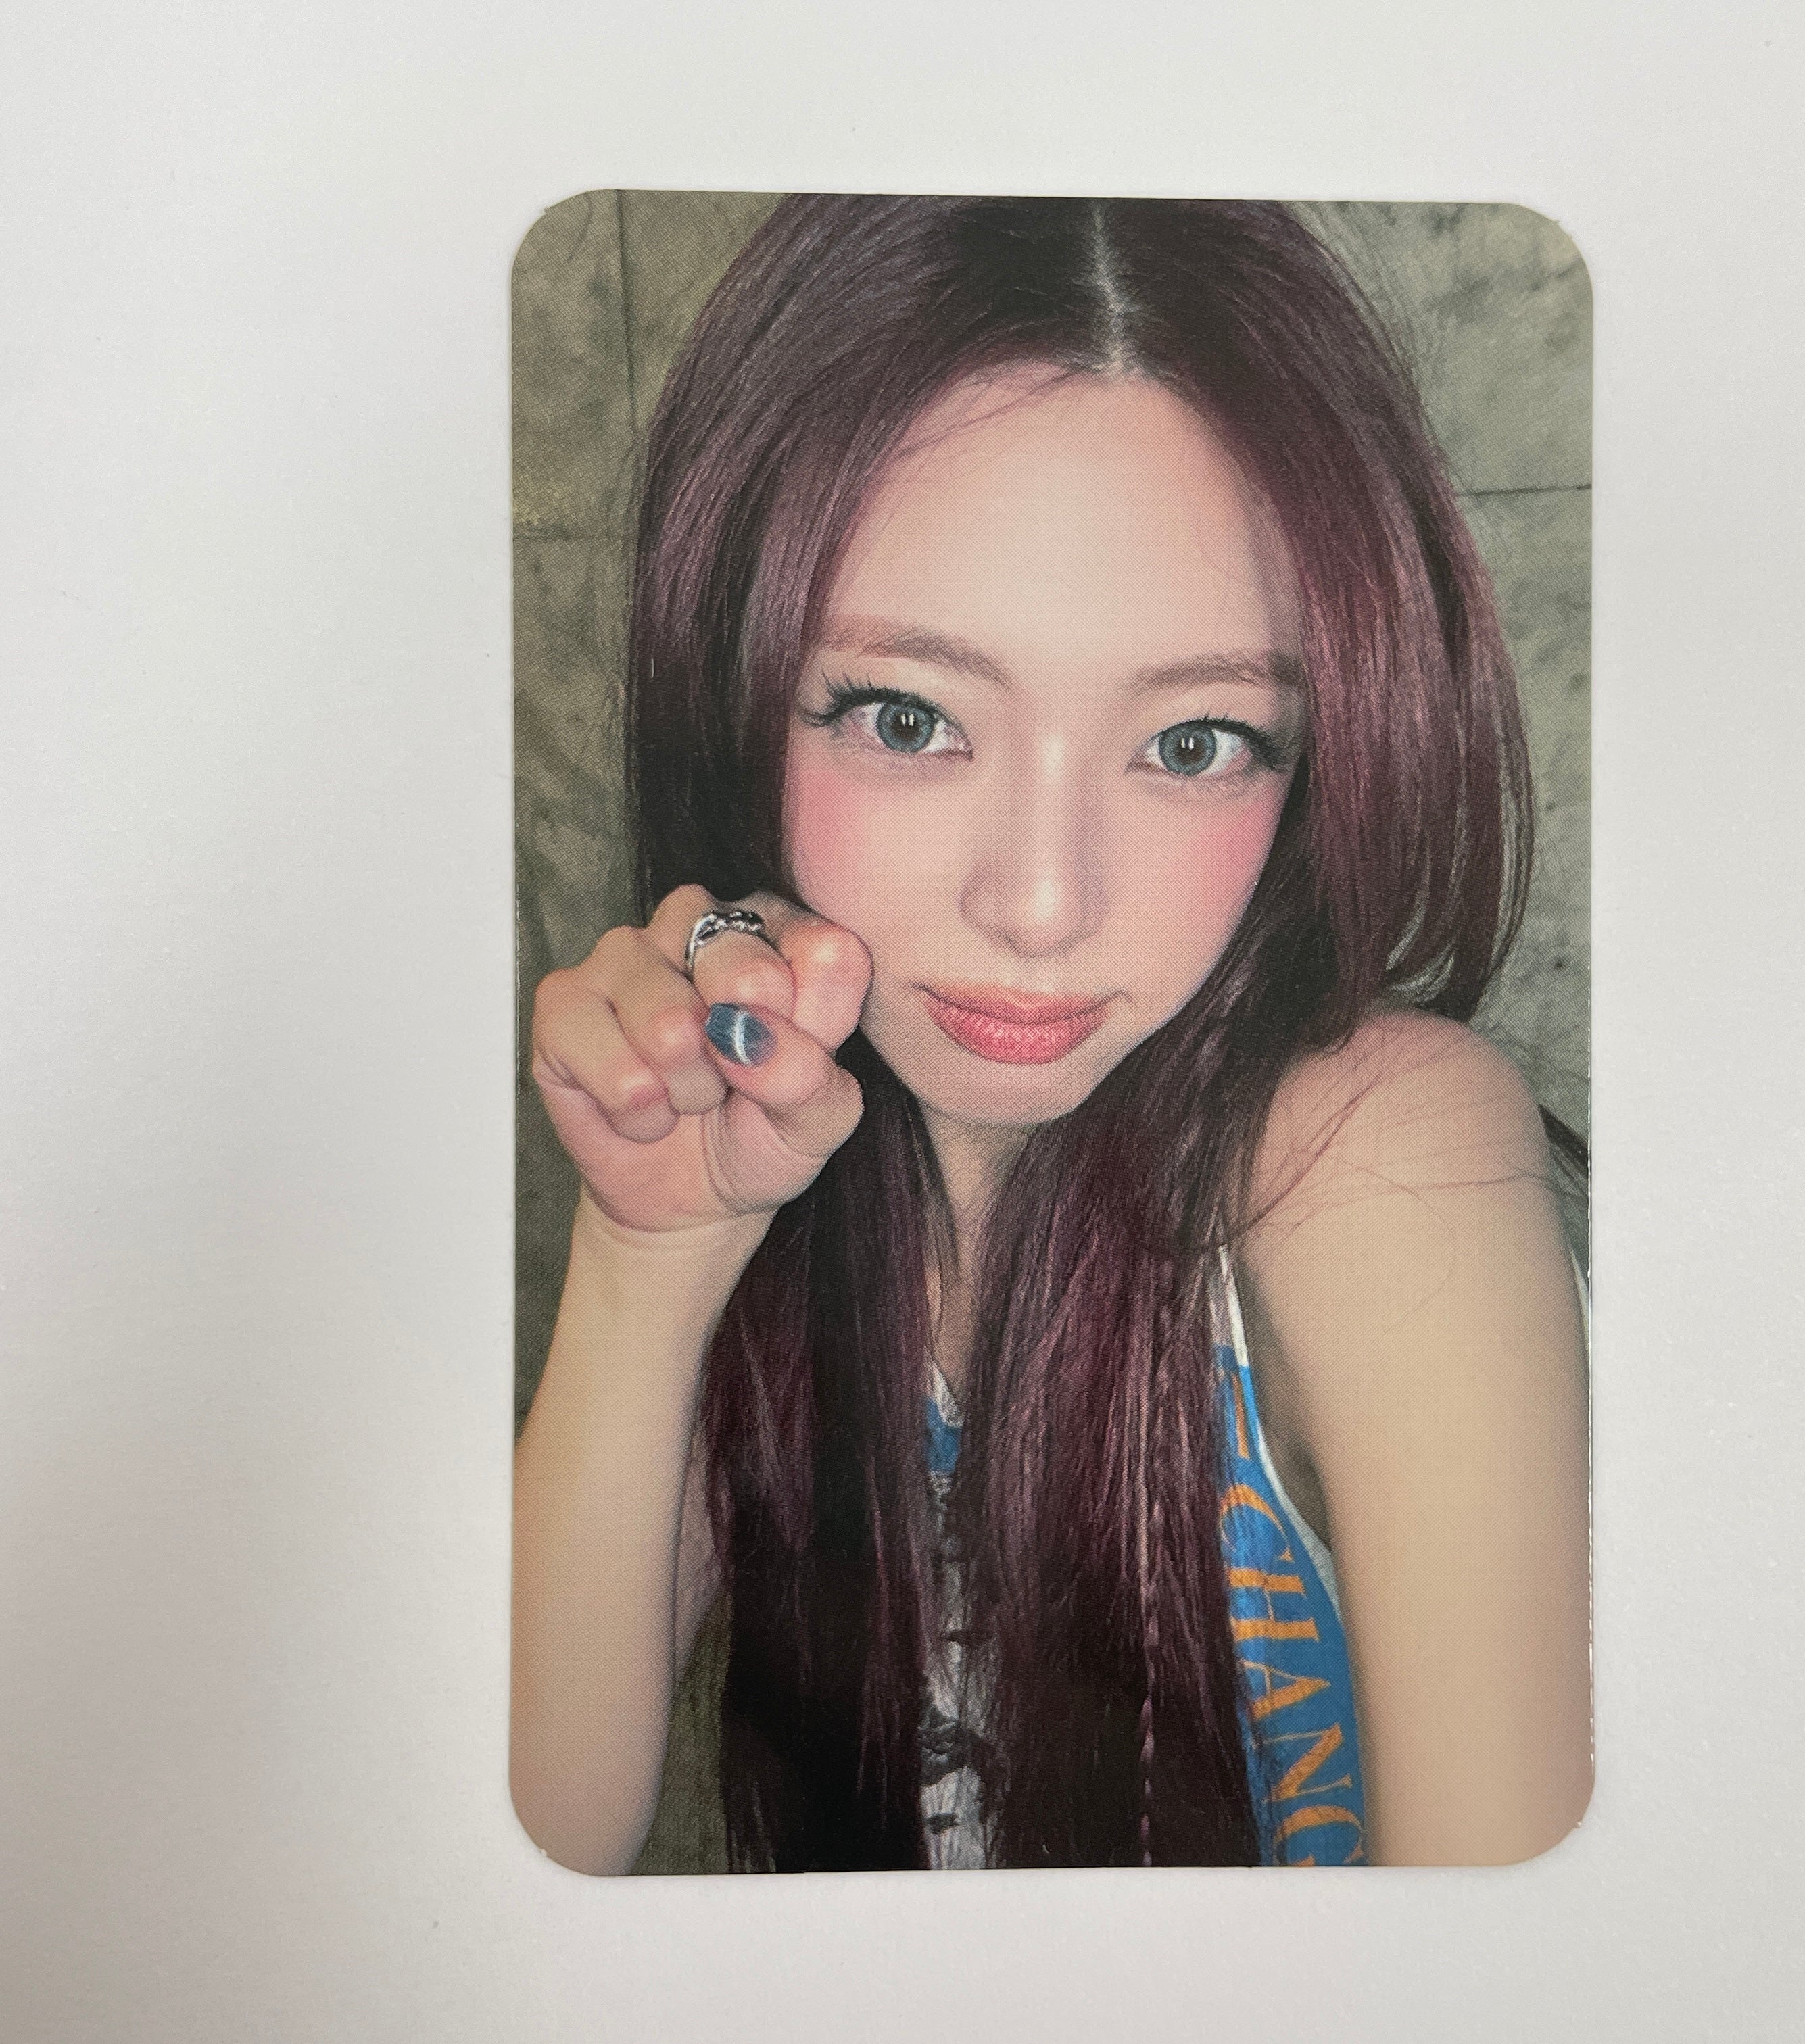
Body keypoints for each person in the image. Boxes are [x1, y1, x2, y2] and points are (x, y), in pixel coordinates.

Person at [510, 195, 1591, 1874]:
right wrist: (651, 1256)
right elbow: (521, 1850)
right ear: (734, 688)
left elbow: (1517, 1963)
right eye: (909, 717)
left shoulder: (1377, 1146)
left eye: (1196, 741)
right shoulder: (787, 1173)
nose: (1040, 902)